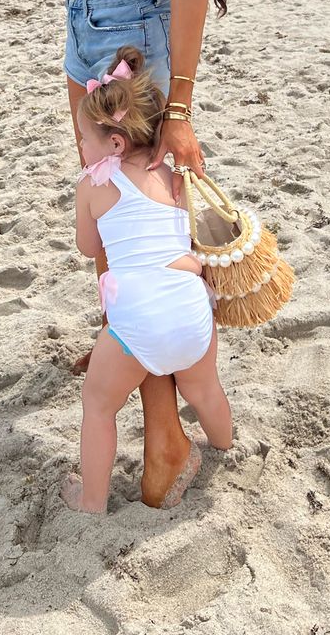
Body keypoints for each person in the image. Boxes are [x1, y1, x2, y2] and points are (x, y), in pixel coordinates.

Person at [14, 0, 324, 507]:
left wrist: (180, 109)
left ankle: (164, 435)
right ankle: (135, 349)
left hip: (134, 40)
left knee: (135, 212)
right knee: (108, 206)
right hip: (80, 24)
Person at [62, 47, 232, 514]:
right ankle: (224, 444)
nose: (81, 148)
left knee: (98, 405)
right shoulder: (171, 171)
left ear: (114, 144)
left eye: (84, 139)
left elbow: (88, 247)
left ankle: (91, 500)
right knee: (204, 388)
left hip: (137, 325)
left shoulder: (93, 184)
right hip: (193, 306)